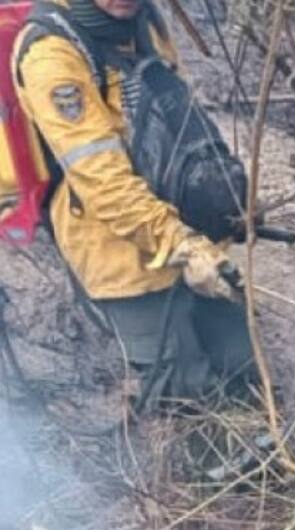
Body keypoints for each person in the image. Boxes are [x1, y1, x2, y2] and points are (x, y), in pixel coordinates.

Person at [12, 0, 258, 417]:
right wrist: (182, 244)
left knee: (242, 366)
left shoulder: (146, 21)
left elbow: (180, 120)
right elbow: (104, 184)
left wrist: (226, 197)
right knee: (185, 398)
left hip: (189, 236)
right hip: (124, 259)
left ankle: (260, 459)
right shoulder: (50, 53)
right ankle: (194, 476)